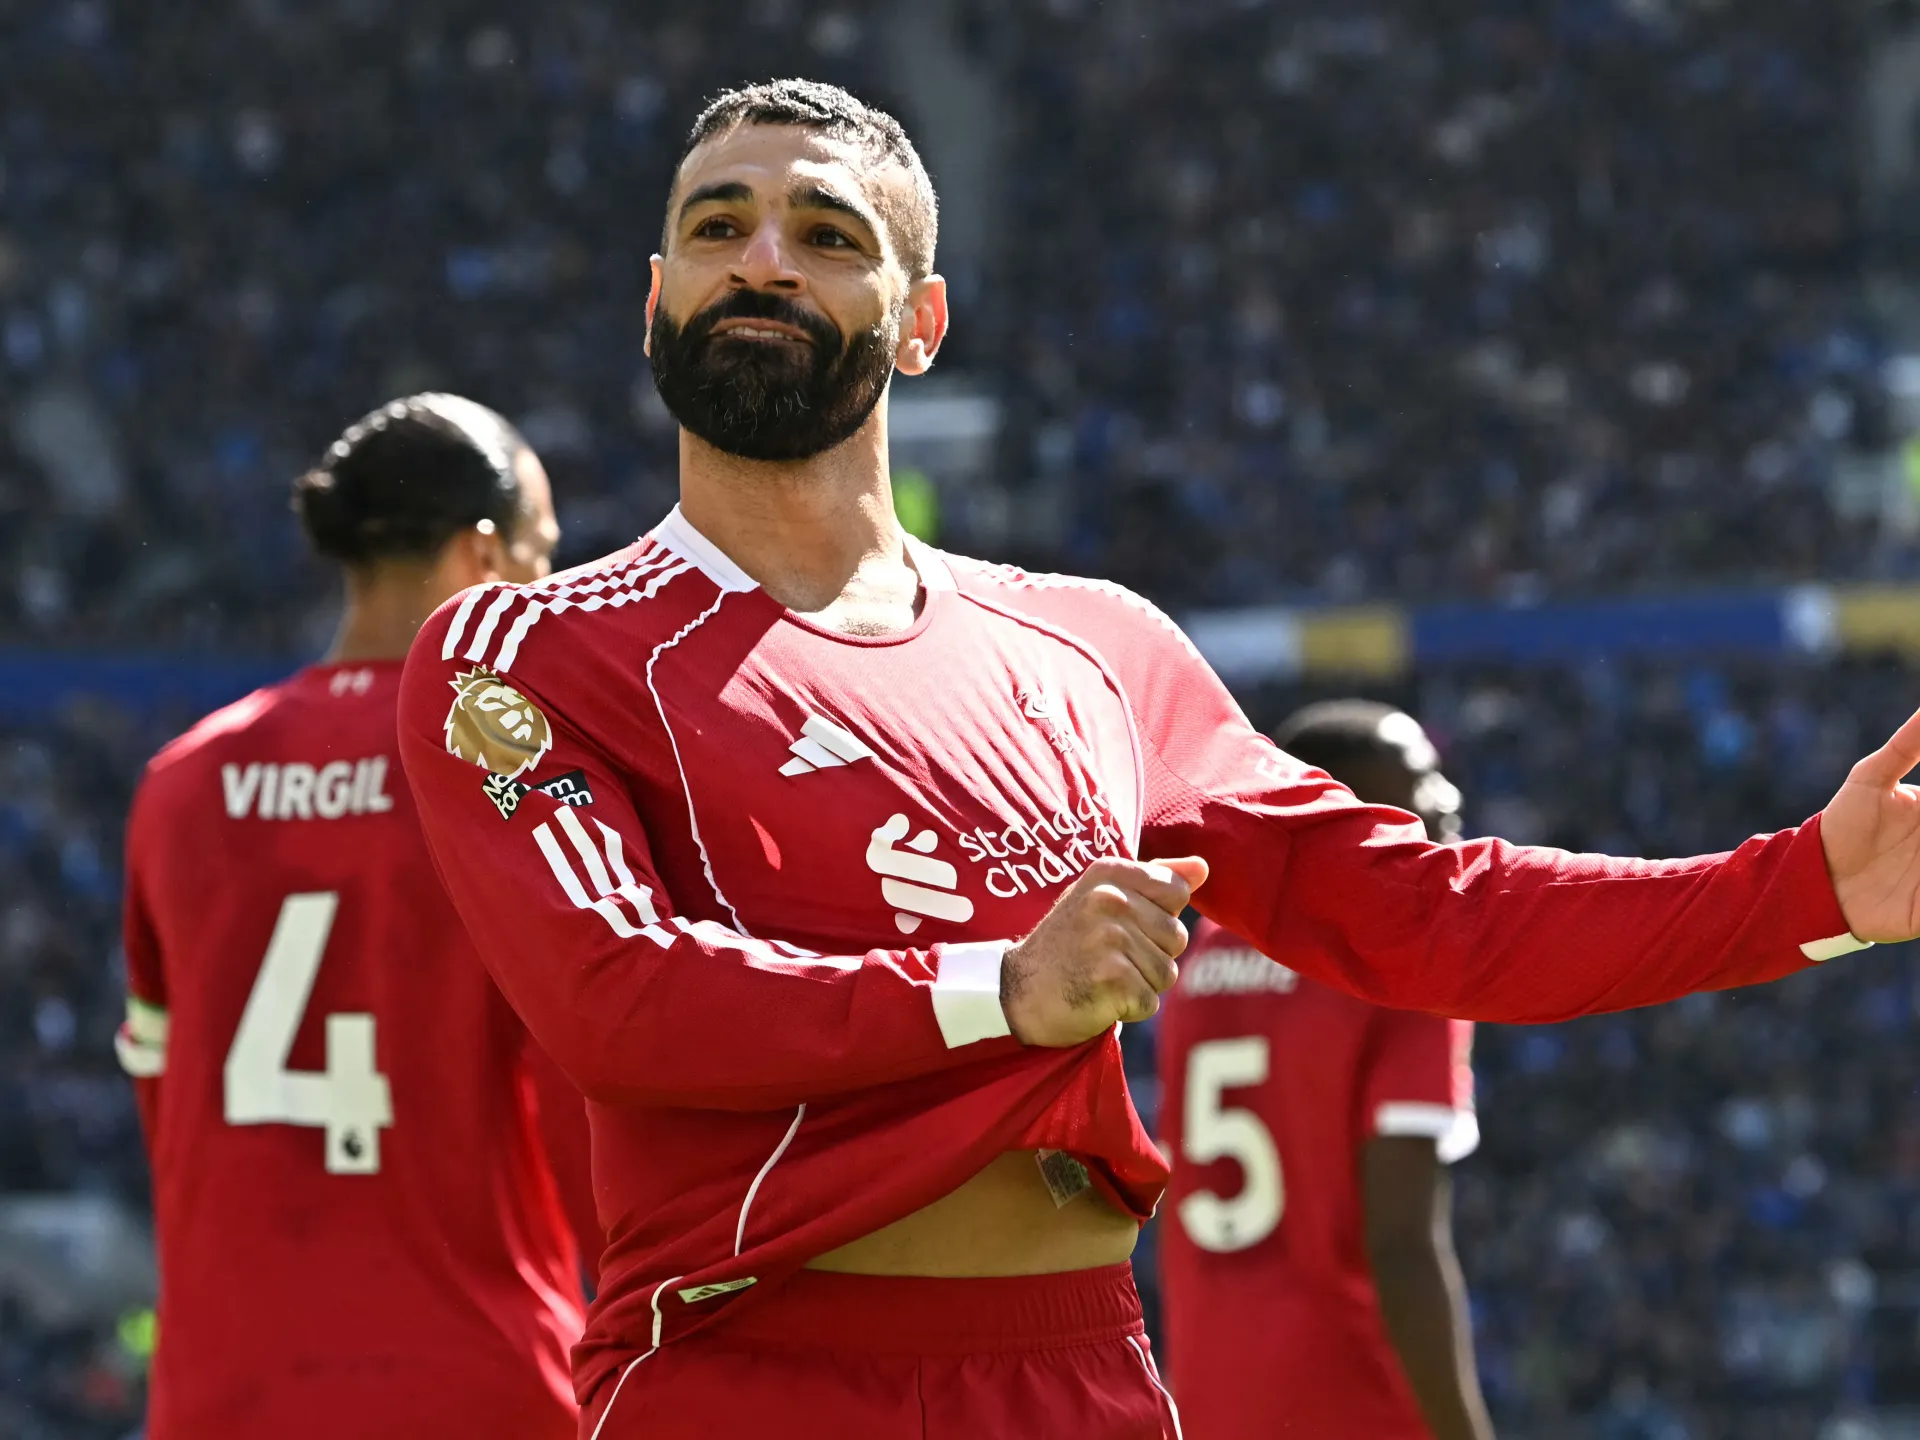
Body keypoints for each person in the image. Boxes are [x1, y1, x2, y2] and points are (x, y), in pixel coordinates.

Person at [394, 81, 1918, 1440]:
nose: (765, 259)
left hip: (1084, 1376)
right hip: (747, 1377)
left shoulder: (1098, 647)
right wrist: (1006, 987)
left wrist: (1808, 888)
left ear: (922, 323)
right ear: (656, 300)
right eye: (719, 227)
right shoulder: (526, 654)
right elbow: (618, 998)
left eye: (830, 234)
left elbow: (1423, 912)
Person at [118, 395, 598, 1440]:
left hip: (224, 1393)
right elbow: (591, 1115)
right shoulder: (503, 778)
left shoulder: (181, 783)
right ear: (482, 556)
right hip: (476, 1386)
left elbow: (165, 1106)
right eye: (544, 558)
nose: (551, 596)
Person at [1157, 701, 1493, 1440]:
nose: (1447, 797)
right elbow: (1401, 1245)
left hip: (1217, 1401)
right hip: (1356, 1399)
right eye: (1419, 778)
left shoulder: (1204, 953)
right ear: (1337, 803)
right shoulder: (1404, 960)